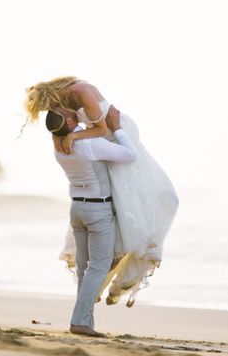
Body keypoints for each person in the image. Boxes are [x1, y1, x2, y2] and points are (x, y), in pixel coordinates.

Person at [25, 76, 179, 307]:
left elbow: (102, 127)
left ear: (53, 98)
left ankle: (106, 280)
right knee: (121, 207)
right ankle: (98, 285)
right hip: (103, 143)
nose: (53, 111)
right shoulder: (65, 106)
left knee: (160, 197)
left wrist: (73, 135)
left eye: (51, 107)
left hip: (117, 133)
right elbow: (75, 127)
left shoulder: (82, 91)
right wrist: (62, 135)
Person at [47, 106, 137, 337]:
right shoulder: (89, 144)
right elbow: (129, 155)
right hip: (97, 210)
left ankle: (85, 321)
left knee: (84, 268)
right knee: (98, 266)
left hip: (77, 209)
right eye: (67, 110)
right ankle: (79, 321)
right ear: (68, 121)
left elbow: (74, 130)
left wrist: (78, 132)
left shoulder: (59, 146)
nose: (72, 108)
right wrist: (117, 129)